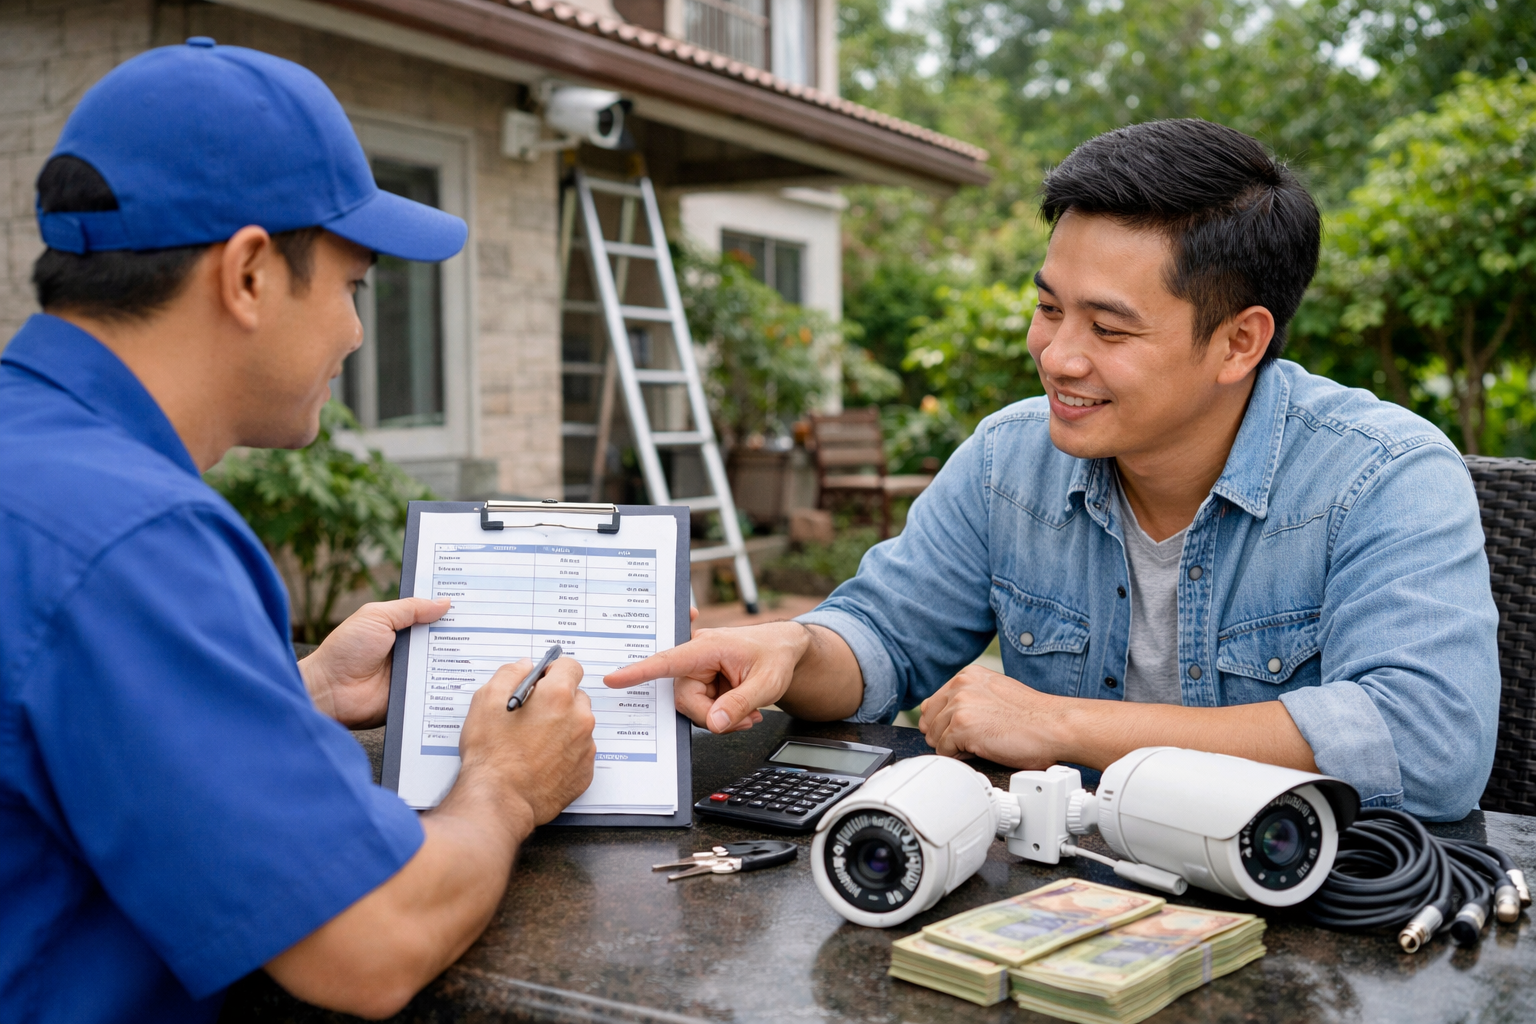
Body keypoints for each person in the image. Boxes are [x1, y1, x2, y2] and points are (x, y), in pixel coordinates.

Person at [607, 118, 1501, 823]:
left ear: (1239, 342)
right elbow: (883, 640)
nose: (1057, 356)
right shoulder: (1009, 459)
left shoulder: (1384, 475)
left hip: (1302, 912)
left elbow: (1427, 746)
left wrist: (1063, 726)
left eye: (1108, 329)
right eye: (1047, 307)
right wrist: (793, 649)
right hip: (1057, 890)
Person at [0, 40, 598, 1023]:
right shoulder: (132, 536)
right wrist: (506, 782)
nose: (358, 334)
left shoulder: (40, 468)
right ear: (247, 274)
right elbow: (370, 942)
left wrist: (297, 692)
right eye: (353, 286)